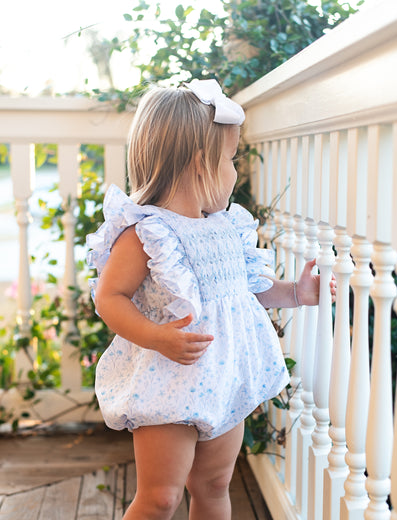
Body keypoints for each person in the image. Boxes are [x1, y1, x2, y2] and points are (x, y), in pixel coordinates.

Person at [87, 79, 336, 520]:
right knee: (161, 496)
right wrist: (155, 337)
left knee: (214, 484)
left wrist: (297, 293)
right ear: (201, 163)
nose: (235, 170)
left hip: (224, 377)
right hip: (167, 380)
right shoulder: (147, 231)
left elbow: (247, 291)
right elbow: (110, 297)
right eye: (230, 159)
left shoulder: (227, 227)